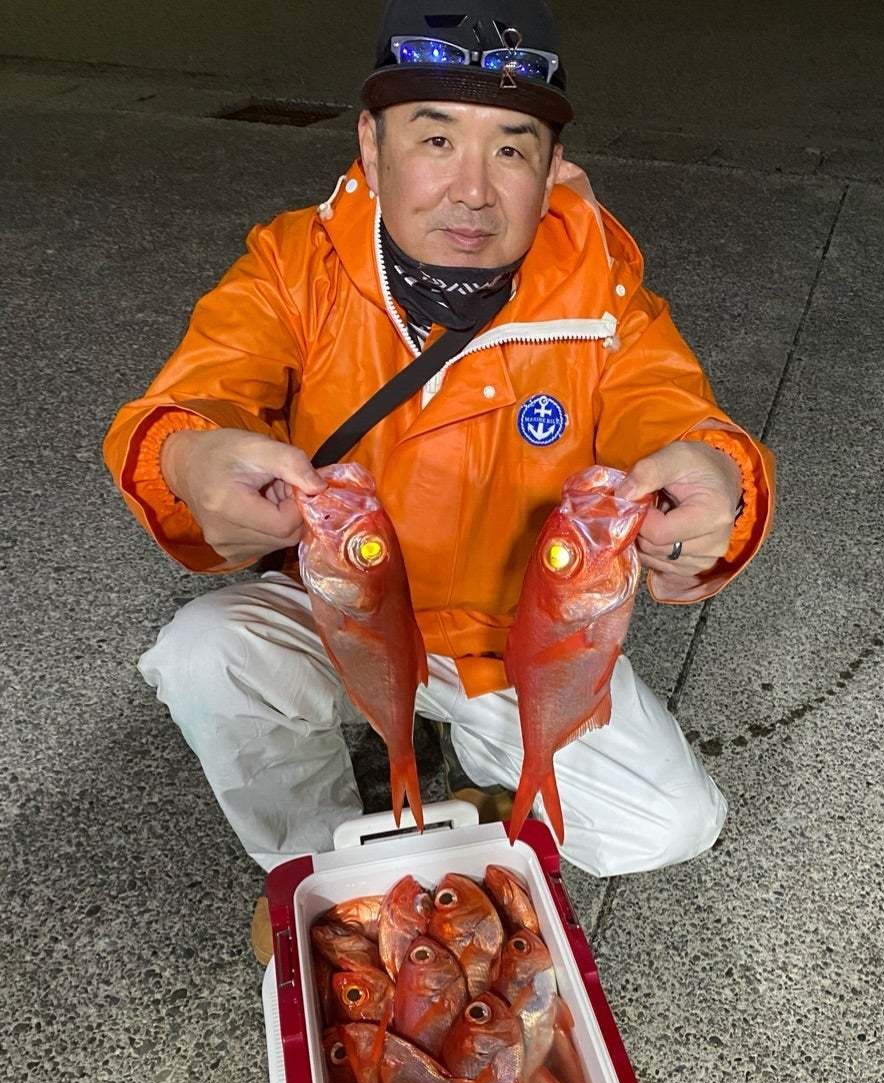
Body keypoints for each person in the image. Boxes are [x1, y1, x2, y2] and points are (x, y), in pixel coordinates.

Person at [102, 0, 776, 892]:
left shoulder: (603, 291)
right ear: (371, 144)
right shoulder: (293, 265)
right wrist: (187, 460)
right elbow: (199, 390)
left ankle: (483, 771)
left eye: (511, 150)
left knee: (674, 823)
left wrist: (719, 474)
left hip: (509, 638)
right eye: (435, 139)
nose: (472, 191)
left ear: (553, 168)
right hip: (345, 608)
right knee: (205, 652)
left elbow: (669, 408)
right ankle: (323, 865)